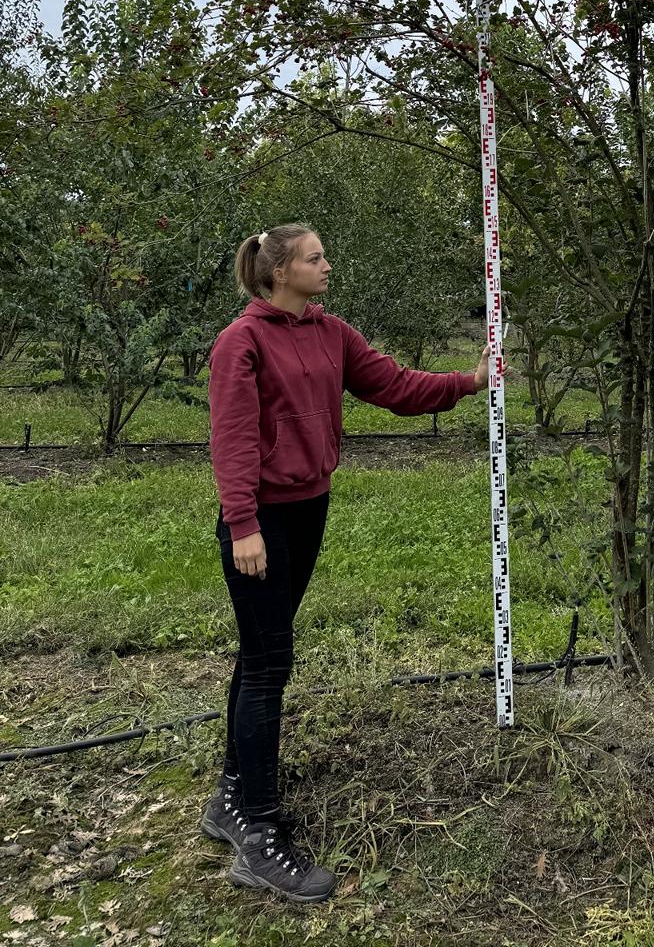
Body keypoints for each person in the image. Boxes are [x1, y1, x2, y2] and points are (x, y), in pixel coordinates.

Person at [199, 223, 490, 903]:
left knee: (259, 654)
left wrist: (467, 383)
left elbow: (390, 383)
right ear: (278, 271)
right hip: (262, 519)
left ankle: (233, 797)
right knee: (270, 663)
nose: (328, 266)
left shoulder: (332, 333)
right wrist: (243, 524)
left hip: (309, 508)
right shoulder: (239, 343)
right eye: (315, 258)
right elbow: (232, 439)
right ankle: (259, 834)